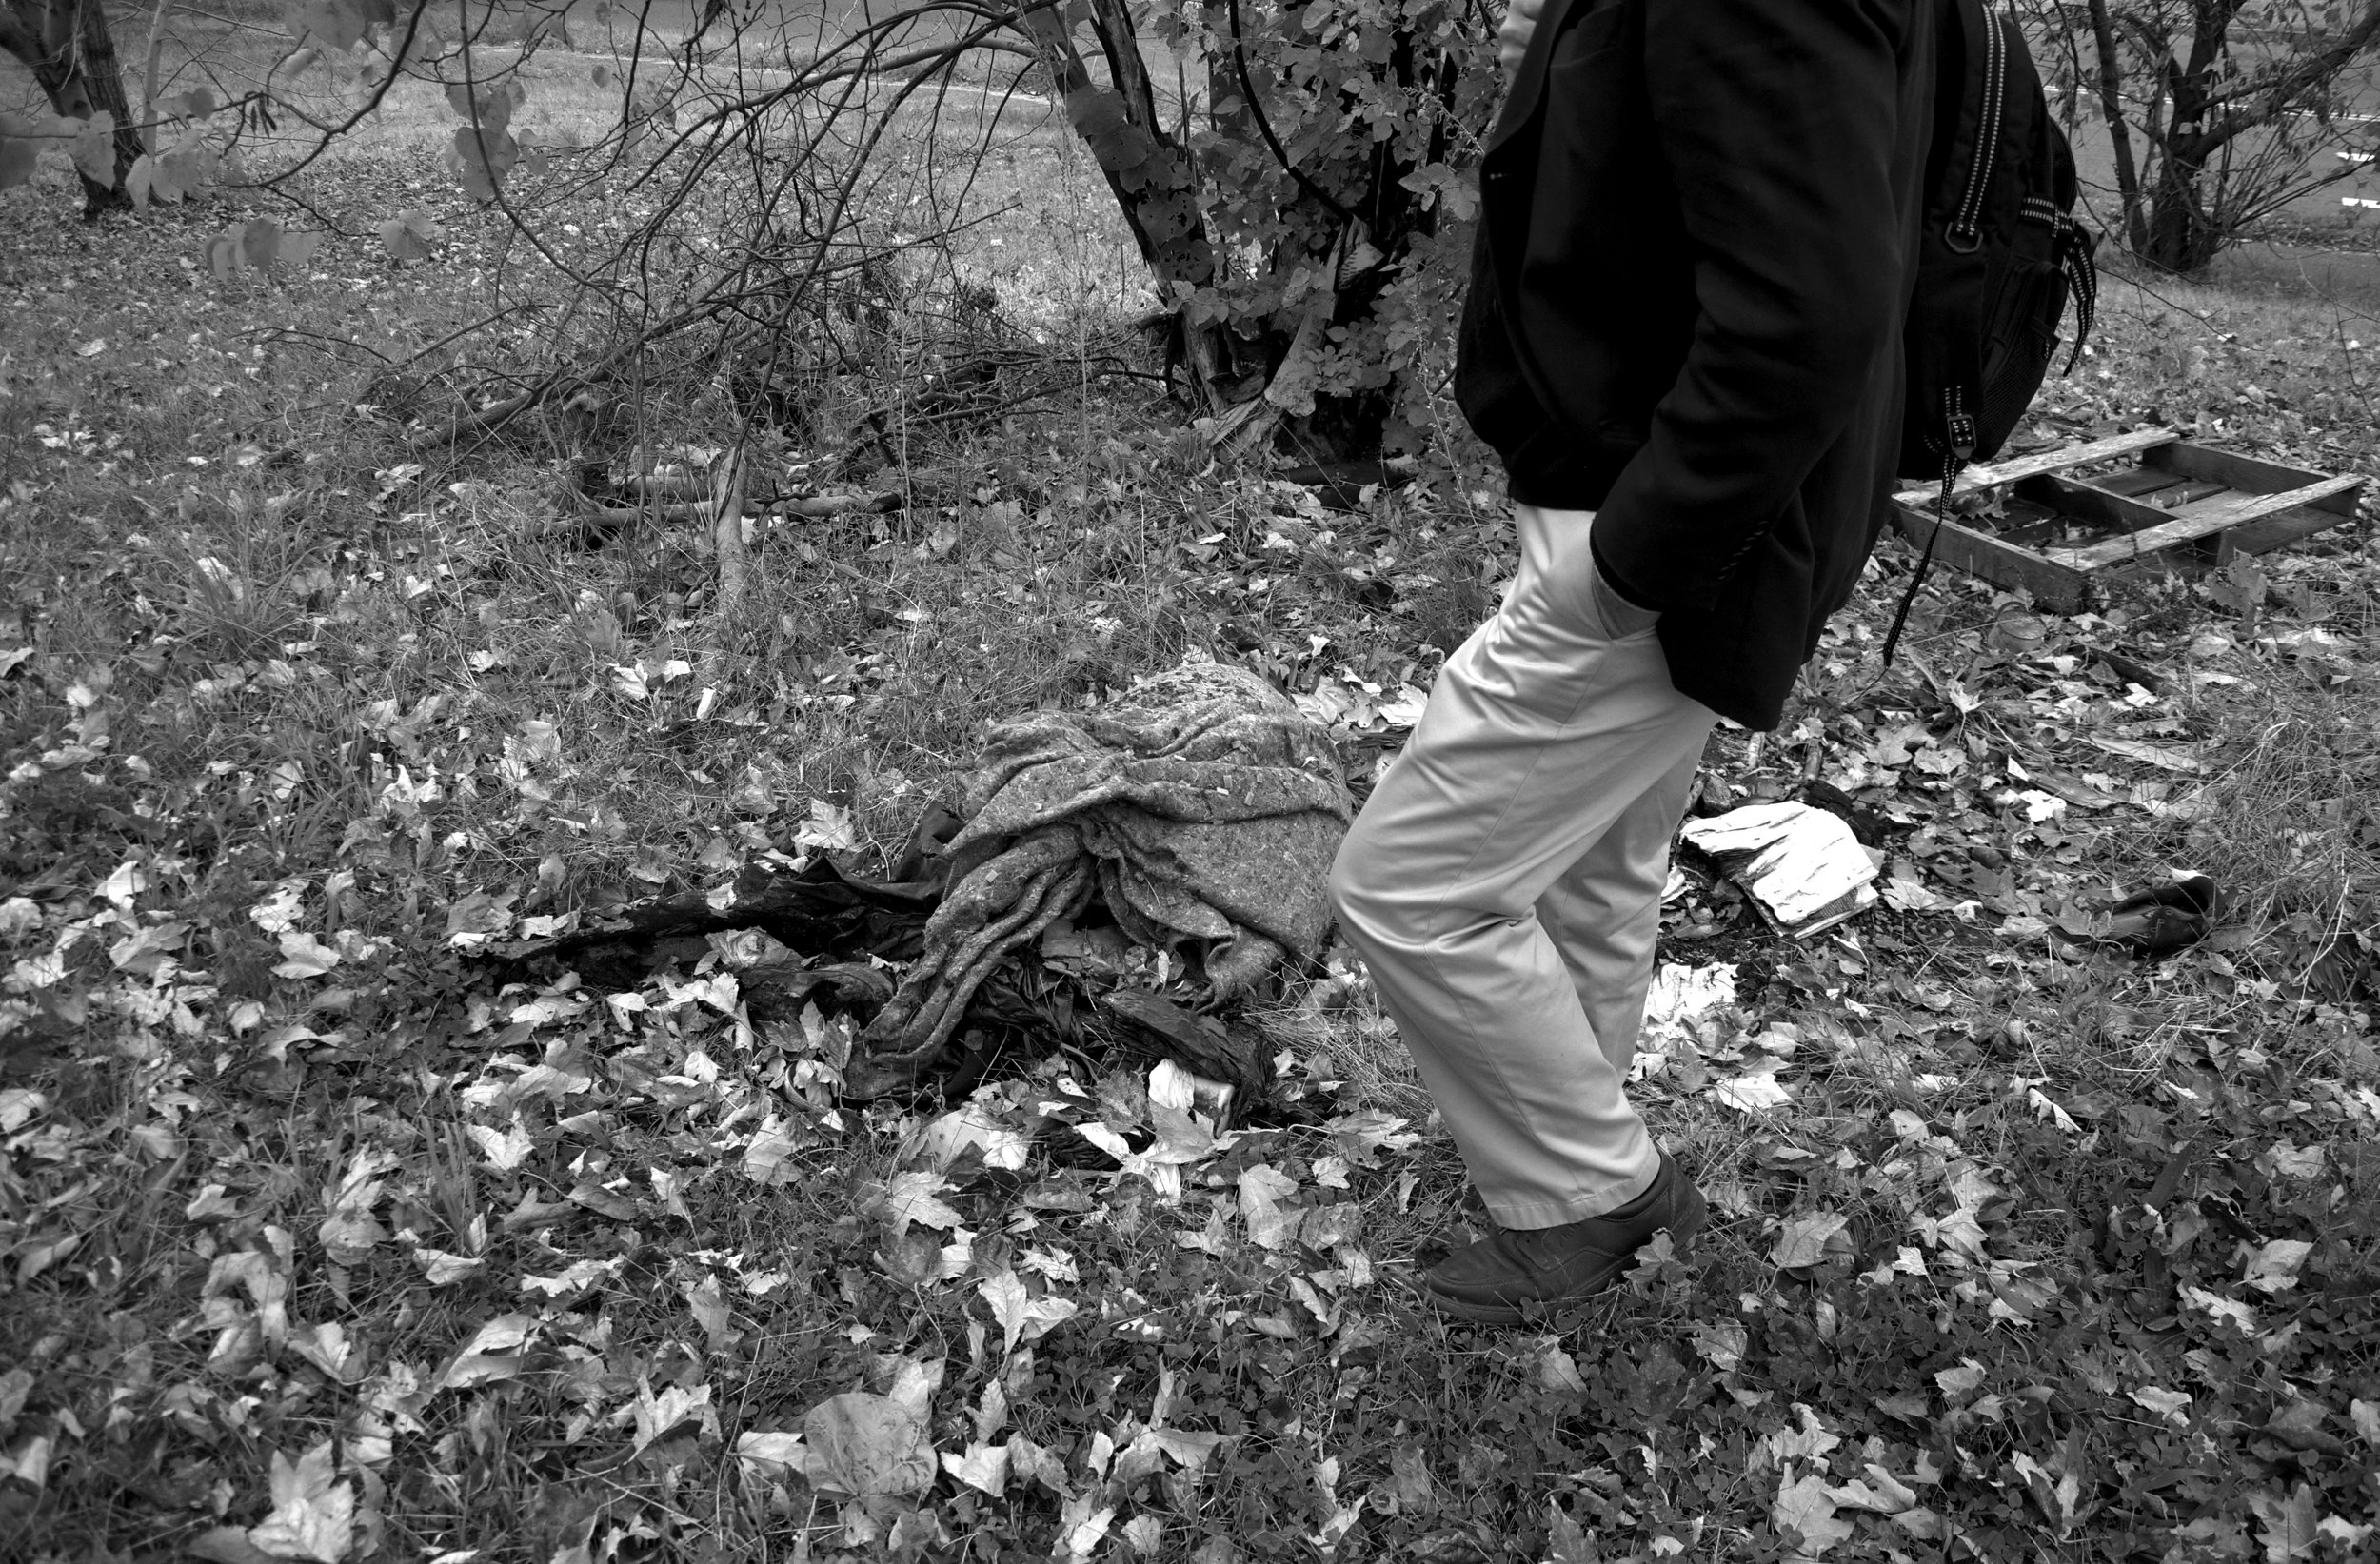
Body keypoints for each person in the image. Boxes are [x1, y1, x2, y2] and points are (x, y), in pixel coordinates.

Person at [1328, 0, 1938, 1323]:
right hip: (1652, 514)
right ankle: (1556, 1181)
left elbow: (1805, 321)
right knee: (1589, 884)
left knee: (1407, 887)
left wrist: (1627, 568)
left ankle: (1598, 1191)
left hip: (1662, 545)